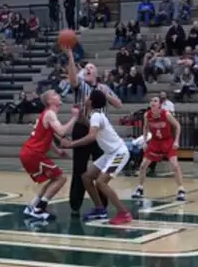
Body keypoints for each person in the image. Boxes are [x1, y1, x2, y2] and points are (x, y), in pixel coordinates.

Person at [60, 89, 133, 225]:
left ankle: (124, 213)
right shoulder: (96, 115)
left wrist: (71, 144)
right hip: (110, 154)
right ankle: (100, 208)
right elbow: (94, 129)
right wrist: (82, 118)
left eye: (88, 96)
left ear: (91, 101)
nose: (86, 97)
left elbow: (92, 136)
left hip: (119, 153)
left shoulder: (96, 116)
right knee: (86, 177)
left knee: (101, 182)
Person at [65, 47, 122, 215]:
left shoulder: (104, 87)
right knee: (79, 168)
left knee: (101, 168)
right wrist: (70, 55)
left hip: (100, 133)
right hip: (83, 128)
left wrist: (107, 95)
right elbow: (73, 78)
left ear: (96, 73)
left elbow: (119, 104)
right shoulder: (80, 85)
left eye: (91, 67)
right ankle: (75, 205)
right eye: (86, 68)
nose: (88, 69)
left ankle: (102, 204)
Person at [20, 90, 79, 221]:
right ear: (49, 101)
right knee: (62, 178)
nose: (58, 95)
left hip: (29, 152)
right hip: (33, 153)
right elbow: (62, 131)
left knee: (55, 178)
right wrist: (74, 117)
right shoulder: (50, 114)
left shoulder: (46, 115)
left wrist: (58, 151)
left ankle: (33, 205)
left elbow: (47, 137)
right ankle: (40, 208)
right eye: (54, 95)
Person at [131, 96, 187, 202]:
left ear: (159, 105)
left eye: (155, 101)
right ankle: (140, 188)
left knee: (175, 165)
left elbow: (178, 126)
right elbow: (145, 128)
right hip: (155, 142)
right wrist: (144, 140)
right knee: (143, 165)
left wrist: (176, 141)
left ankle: (181, 190)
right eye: (151, 100)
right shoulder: (147, 115)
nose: (153, 102)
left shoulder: (166, 114)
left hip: (167, 141)